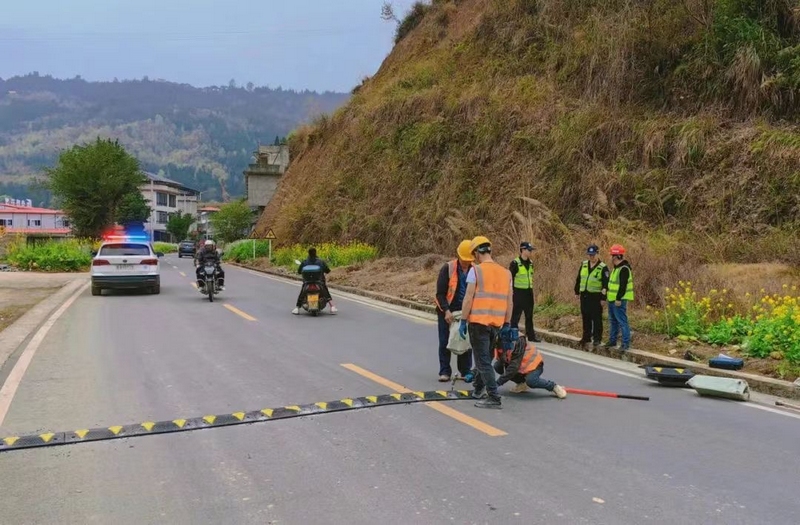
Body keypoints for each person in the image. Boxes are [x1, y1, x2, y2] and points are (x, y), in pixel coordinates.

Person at [458, 235, 513, 409]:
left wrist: (463, 320)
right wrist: (507, 323)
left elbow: (468, 298)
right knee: (487, 357)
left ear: (475, 253)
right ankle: (478, 388)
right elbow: (509, 301)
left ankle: (494, 397)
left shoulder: (476, 270)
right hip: (496, 324)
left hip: (478, 323)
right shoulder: (506, 273)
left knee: (482, 361)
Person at [434, 240, 475, 383]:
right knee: (445, 341)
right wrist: (446, 310)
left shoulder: (474, 270)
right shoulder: (448, 268)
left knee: (465, 340)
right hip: (447, 311)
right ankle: (445, 371)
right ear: (459, 256)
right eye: (464, 260)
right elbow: (440, 293)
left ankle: (465, 370)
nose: (466, 262)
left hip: (465, 311)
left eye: (469, 260)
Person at [493, 330, 567, 398]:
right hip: (520, 368)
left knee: (531, 381)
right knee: (498, 366)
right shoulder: (497, 341)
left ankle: (553, 386)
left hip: (534, 365)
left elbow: (513, 367)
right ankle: (522, 384)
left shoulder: (518, 340)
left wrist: (497, 384)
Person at [574, 244, 610, 349]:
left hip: (596, 296)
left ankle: (597, 339)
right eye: (589, 255)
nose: (591, 257)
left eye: (593, 255)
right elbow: (579, 279)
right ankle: (586, 337)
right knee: (586, 317)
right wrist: (576, 291)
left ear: (598, 254)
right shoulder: (584, 264)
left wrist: (603, 298)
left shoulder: (603, 267)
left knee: (596, 318)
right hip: (585, 295)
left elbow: (605, 284)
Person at [509, 241, 542, 342]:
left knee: (529, 315)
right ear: (522, 250)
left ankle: (531, 336)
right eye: (528, 250)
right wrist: (511, 292)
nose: (530, 252)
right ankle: (513, 334)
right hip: (518, 293)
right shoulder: (515, 263)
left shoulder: (531, 263)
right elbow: (510, 278)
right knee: (515, 315)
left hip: (528, 292)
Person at [605, 244, 634, 351]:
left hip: (618, 300)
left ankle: (625, 344)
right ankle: (612, 341)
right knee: (613, 321)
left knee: (622, 321)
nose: (611, 258)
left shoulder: (624, 269)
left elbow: (622, 285)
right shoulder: (616, 269)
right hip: (612, 299)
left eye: (613, 255)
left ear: (617, 256)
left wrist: (618, 298)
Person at [293, 247, 338, 315]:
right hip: (319, 282)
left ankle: (297, 308)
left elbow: (299, 271)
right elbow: (328, 270)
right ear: (315, 253)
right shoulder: (321, 262)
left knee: (302, 292)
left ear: (308, 253)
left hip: (307, 282)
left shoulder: (305, 262)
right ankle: (332, 306)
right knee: (325, 291)